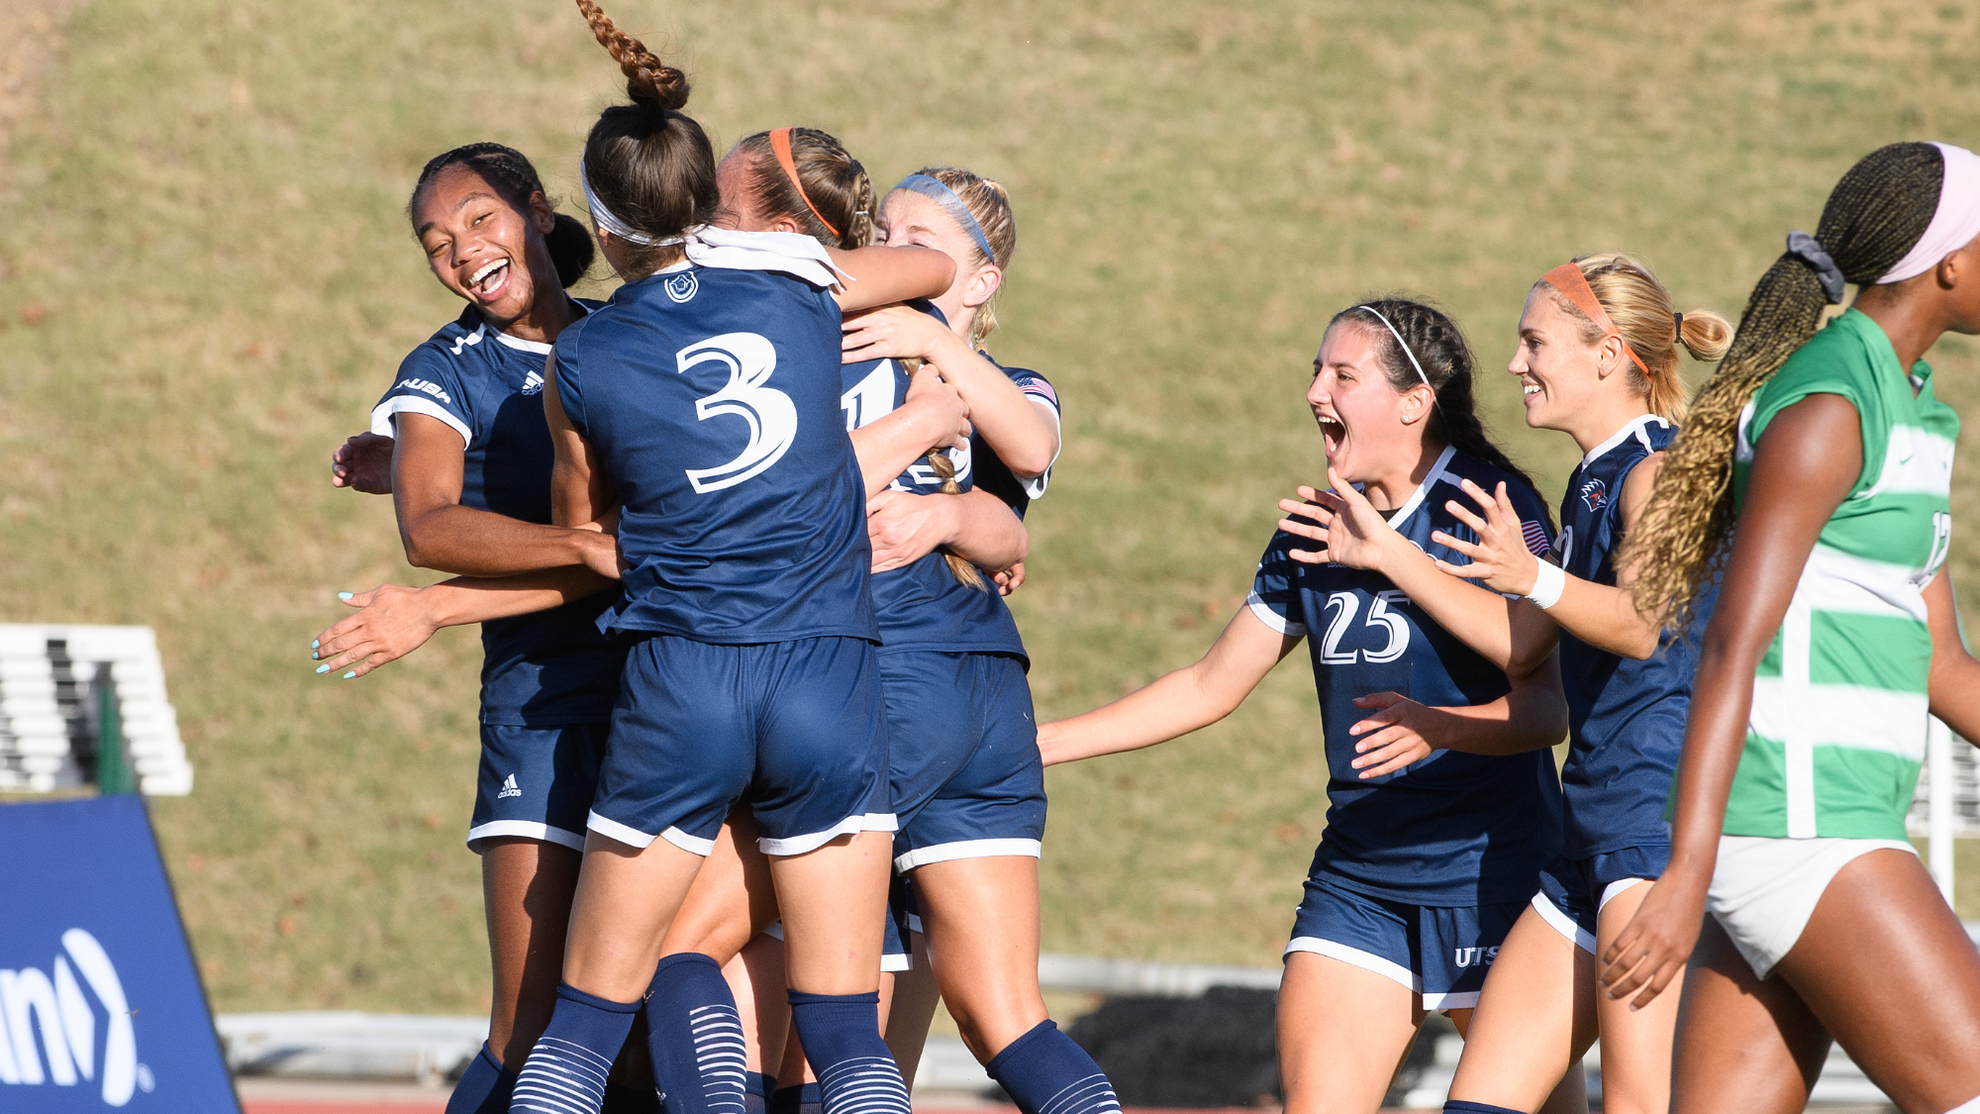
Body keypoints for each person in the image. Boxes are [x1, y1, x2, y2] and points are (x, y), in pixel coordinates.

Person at [507, 5, 956, 1114]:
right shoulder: (799, 284)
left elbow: (586, 533)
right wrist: (749, 250)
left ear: (605, 227)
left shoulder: (587, 355)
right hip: (825, 672)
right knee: (850, 1035)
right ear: (704, 201)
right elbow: (928, 262)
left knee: (578, 1028)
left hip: (685, 678)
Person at [661, 138, 1119, 1114]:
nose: (893, 254)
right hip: (973, 698)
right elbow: (999, 519)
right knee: (1000, 1016)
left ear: (979, 276)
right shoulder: (851, 353)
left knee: (688, 944)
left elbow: (1019, 458)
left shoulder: (971, 377)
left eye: (920, 242)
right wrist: (961, 508)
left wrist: (943, 381)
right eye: (883, 237)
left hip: (882, 684)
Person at [1038, 298, 1579, 1114]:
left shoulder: (1486, 505)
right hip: (1360, 881)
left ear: (1413, 401)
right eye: (1316, 371)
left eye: (1342, 374)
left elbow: (1543, 702)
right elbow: (1210, 684)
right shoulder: (1310, 530)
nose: (1314, 391)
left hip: (1494, 881)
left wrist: (1440, 725)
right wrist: (1038, 743)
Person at [1288, 258, 1729, 1114]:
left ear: (1607, 354)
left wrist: (1532, 575)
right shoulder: (1592, 477)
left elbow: (1641, 622)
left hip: (1652, 830)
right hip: (1582, 838)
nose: (1517, 363)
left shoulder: (1659, 469)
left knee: (1640, 1104)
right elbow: (1531, 644)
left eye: (1535, 342)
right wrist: (1397, 561)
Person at [1598, 141, 1980, 1114]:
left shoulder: (1912, 411)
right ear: (1949, 262)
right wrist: (1683, 875)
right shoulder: (1830, 402)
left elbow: (1941, 665)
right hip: (1806, 832)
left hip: (1807, 834)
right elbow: (1729, 642)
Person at [312, 141, 651, 1114]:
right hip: (542, 713)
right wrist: (584, 544)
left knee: (654, 1024)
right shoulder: (447, 366)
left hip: (671, 699)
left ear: (537, 213)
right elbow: (430, 527)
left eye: (478, 219)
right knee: (533, 1026)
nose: (461, 250)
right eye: (436, 243)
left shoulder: (631, 332)